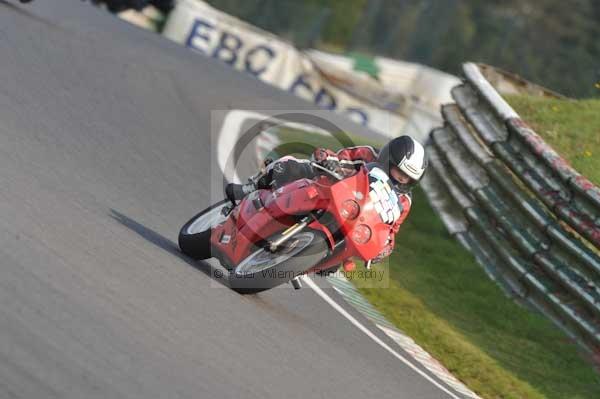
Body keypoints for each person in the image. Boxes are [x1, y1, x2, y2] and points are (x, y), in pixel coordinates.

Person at [225, 135, 427, 264]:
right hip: (329, 191)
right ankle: (251, 188)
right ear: (386, 159)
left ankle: (307, 262)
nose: (400, 180)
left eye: (407, 179)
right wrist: (329, 160)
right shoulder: (367, 155)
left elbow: (391, 230)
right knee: (292, 166)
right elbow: (341, 156)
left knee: (342, 259)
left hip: (351, 223)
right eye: (398, 173)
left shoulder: (404, 202)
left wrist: (384, 248)